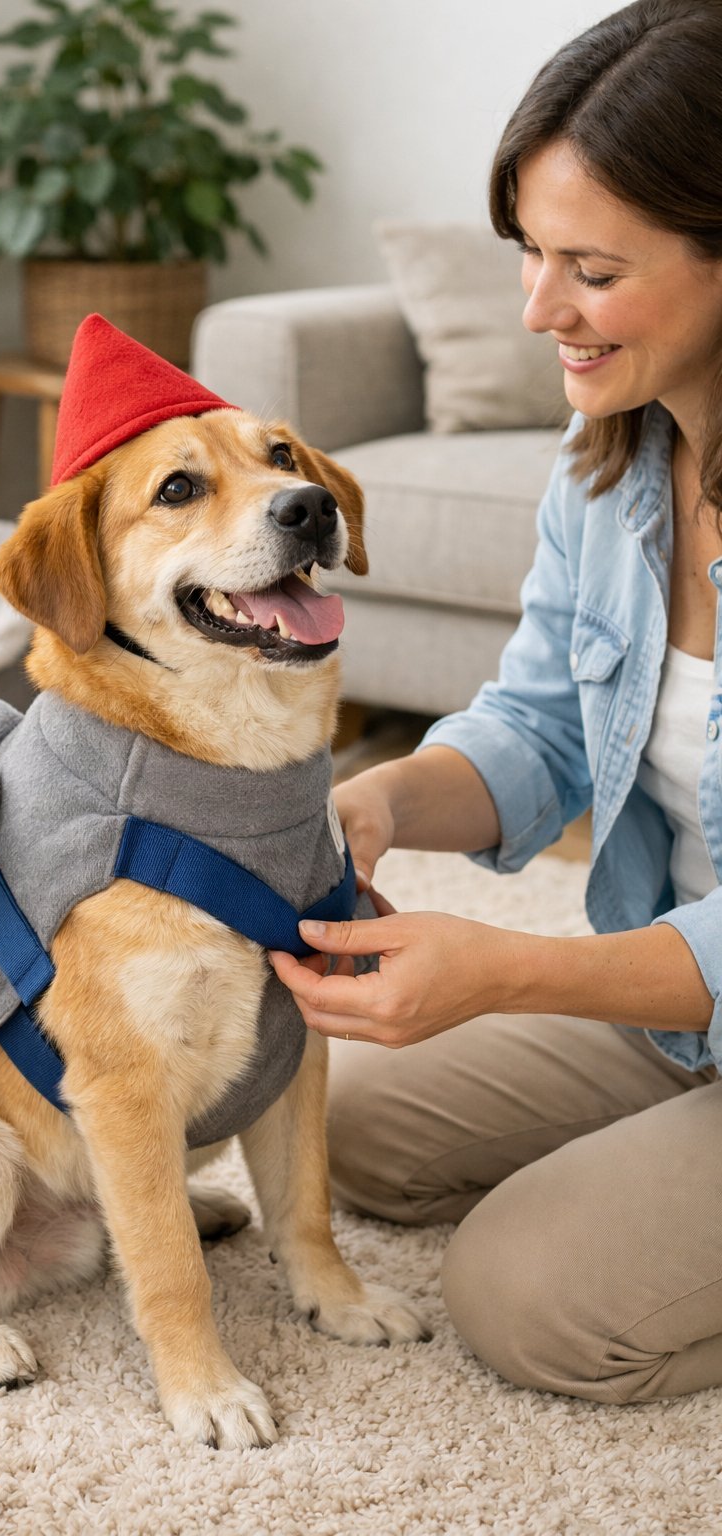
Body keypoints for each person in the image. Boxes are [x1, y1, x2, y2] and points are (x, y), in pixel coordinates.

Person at [268, 0, 722, 1405]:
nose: (539, 311)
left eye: (590, 268)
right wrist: (385, 797)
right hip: (682, 1019)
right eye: (529, 255)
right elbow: (534, 724)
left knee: (531, 1300)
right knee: (341, 1121)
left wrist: (512, 969)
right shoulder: (613, 467)